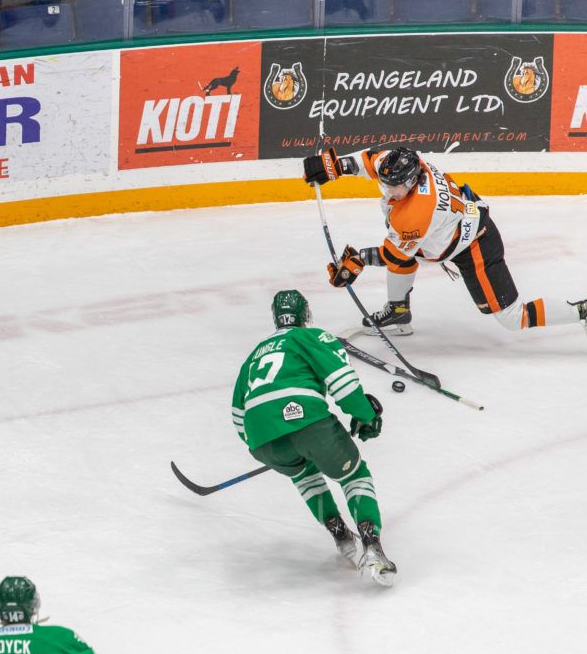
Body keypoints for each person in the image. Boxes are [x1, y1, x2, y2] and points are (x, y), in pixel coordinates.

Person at [304, 145, 587, 336]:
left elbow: (394, 256)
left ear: (412, 182)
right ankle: (399, 311)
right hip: (453, 226)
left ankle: (581, 312)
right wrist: (334, 167)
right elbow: (369, 160)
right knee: (408, 252)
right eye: (385, 184)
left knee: (513, 318)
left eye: (395, 187)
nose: (388, 191)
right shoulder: (406, 163)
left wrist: (357, 260)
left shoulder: (416, 213)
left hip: (475, 246)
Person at [231, 290, 395, 585]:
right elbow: (342, 383)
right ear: (305, 315)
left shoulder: (253, 356)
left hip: (261, 438)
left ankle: (340, 534)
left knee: (304, 474)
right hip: (306, 420)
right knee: (355, 475)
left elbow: (238, 416)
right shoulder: (310, 338)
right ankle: (372, 546)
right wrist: (366, 416)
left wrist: (267, 440)